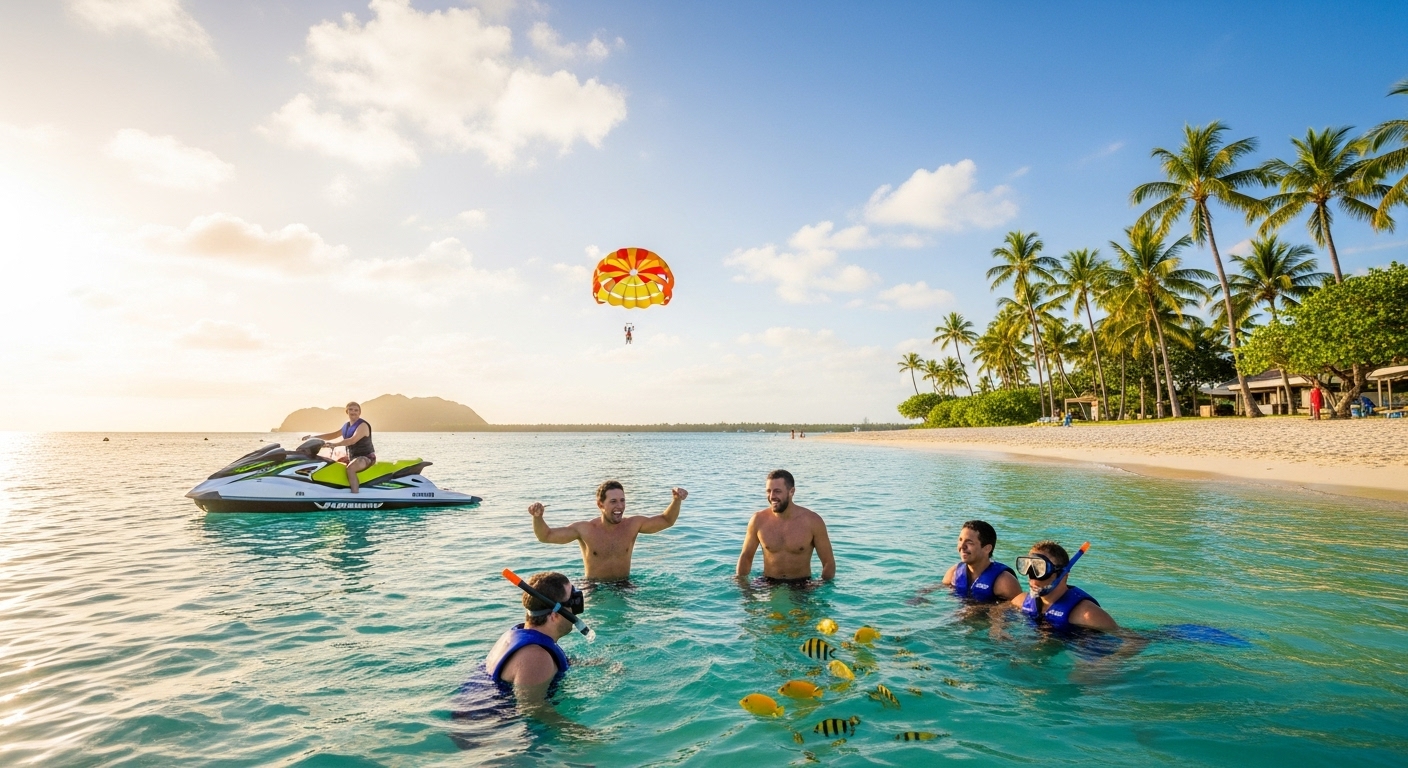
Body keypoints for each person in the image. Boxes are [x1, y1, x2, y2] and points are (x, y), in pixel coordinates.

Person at [528, 482, 687, 581]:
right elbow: (546, 536)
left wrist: (676, 500)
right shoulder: (585, 530)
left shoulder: (632, 525)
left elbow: (667, 520)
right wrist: (538, 517)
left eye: (622, 500)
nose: (619, 506)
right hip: (593, 588)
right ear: (600, 505)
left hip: (624, 585)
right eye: (613, 501)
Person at [482, 571, 579, 704]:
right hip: (486, 721)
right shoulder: (537, 656)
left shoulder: (520, 635)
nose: (576, 609)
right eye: (572, 601)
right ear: (555, 615)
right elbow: (531, 710)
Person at [736, 469, 835, 581]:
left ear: (791, 491)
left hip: (801, 585)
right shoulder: (758, 520)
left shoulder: (813, 521)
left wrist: (821, 587)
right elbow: (746, 557)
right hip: (768, 583)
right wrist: (744, 588)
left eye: (777, 491)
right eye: (768, 491)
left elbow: (828, 563)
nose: (772, 496)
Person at [1005, 540, 1117, 633]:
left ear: (1063, 574)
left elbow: (1131, 641)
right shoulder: (1021, 601)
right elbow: (998, 611)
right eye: (1028, 566)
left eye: (1040, 569)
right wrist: (998, 628)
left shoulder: (1086, 614)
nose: (1032, 576)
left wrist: (1104, 660)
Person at [302, 401, 376, 493]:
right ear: (347, 411)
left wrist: (334, 444)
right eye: (351, 409)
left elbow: (352, 440)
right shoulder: (347, 426)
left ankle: (355, 494)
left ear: (359, 413)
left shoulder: (363, 425)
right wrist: (313, 437)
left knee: (351, 468)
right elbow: (332, 435)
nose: (353, 412)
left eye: (356, 410)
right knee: (330, 463)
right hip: (352, 457)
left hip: (366, 457)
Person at [941, 520, 1022, 602]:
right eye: (960, 540)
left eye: (969, 542)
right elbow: (939, 588)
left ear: (987, 549)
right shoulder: (954, 572)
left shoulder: (1004, 581)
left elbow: (1020, 605)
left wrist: (985, 609)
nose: (962, 546)